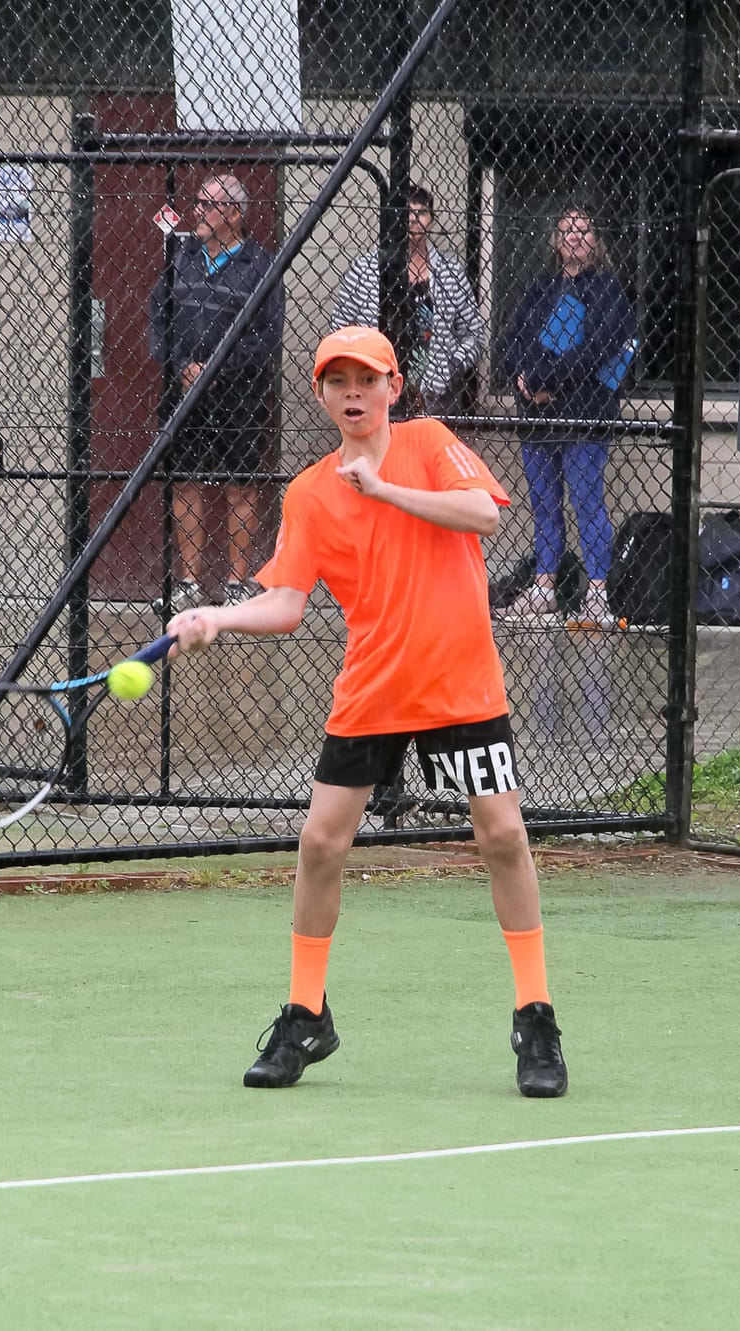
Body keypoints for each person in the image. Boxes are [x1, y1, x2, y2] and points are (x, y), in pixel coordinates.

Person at [168, 325, 568, 1098]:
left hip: (460, 680)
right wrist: (216, 619)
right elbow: (286, 602)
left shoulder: (428, 441)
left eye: (367, 379)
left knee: (504, 835)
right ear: (321, 395)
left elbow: (484, 514)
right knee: (320, 841)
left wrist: (382, 488)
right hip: (374, 688)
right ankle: (306, 1014)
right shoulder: (311, 492)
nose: (353, 393)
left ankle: (535, 1014)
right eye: (337, 381)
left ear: (393, 387)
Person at [149, 172, 284, 611]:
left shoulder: (261, 265)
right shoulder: (181, 256)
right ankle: (188, 583)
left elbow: (268, 334)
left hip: (239, 394)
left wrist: (219, 365)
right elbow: (158, 316)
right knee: (185, 481)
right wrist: (181, 364)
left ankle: (236, 583)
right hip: (185, 391)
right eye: (197, 203)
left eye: (207, 205)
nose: (197, 213)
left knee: (239, 486)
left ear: (234, 213)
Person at [502, 206, 637, 625]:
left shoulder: (608, 289)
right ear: (555, 241)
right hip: (538, 416)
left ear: (596, 239)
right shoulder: (542, 288)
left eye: (582, 230)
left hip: (585, 413)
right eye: (565, 231)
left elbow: (597, 348)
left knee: (586, 500)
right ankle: (545, 585)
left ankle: (597, 590)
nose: (574, 237)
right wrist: (525, 378)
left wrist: (548, 380)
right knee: (544, 503)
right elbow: (514, 338)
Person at [331, 185, 485, 418]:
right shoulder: (365, 269)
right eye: (407, 213)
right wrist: (360, 370)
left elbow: (474, 334)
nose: (413, 220)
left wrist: (452, 365)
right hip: (376, 395)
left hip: (435, 398)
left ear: (431, 220)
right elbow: (338, 330)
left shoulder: (451, 273)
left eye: (421, 212)